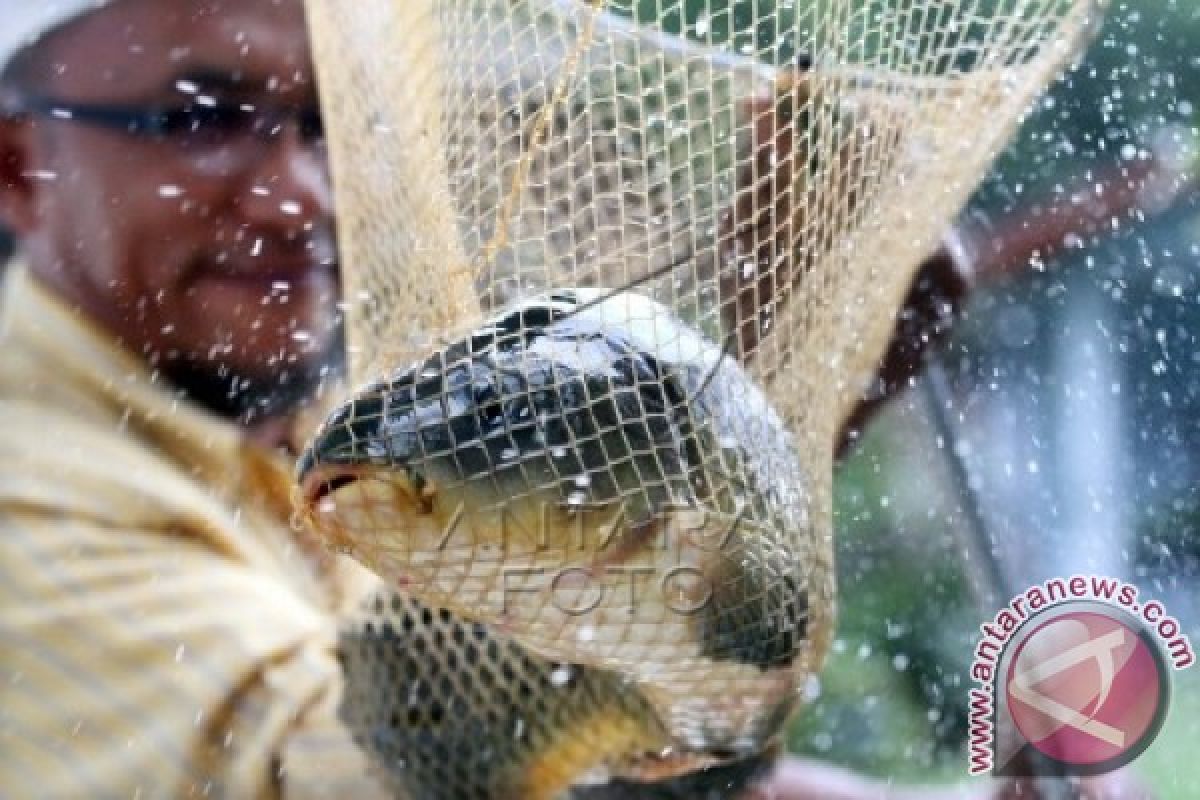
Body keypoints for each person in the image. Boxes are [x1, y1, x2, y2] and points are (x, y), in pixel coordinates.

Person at [0, 1, 1146, 798]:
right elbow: (367, 771)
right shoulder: (24, 491)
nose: (300, 192)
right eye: (201, 118)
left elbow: (586, 773)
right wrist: (759, 416)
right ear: (15, 166)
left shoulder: (325, 422)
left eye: (331, 121)